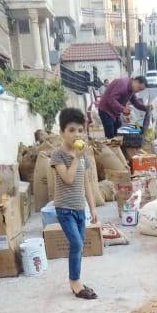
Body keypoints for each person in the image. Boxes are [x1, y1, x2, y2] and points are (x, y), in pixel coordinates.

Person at [51, 107, 100, 300]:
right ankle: (75, 283)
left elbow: (86, 182)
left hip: (80, 208)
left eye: (80, 130)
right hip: (64, 208)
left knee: (79, 246)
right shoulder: (58, 155)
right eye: (71, 130)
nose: (77, 134)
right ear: (62, 132)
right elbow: (68, 178)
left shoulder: (83, 156)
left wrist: (93, 208)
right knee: (77, 243)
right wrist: (76, 158)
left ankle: (76, 280)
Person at [97, 75, 149, 139]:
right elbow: (111, 99)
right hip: (106, 110)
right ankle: (110, 144)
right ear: (136, 81)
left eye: (141, 90)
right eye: (139, 88)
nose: (138, 91)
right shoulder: (123, 85)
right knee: (110, 136)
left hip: (114, 112)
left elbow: (135, 102)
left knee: (117, 132)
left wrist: (145, 108)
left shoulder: (132, 89)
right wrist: (122, 109)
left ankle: (115, 143)